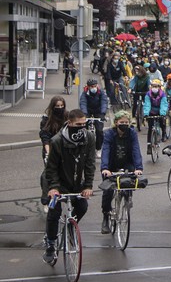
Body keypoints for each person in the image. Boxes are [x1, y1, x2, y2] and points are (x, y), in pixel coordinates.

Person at [42, 109, 95, 265]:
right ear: (70, 123)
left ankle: (70, 229)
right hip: (56, 183)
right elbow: (51, 168)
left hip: (76, 183)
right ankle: (51, 245)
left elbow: (90, 164)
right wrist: (54, 188)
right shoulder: (57, 141)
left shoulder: (89, 138)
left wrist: (88, 185)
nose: (82, 128)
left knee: (82, 206)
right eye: (78, 124)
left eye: (84, 124)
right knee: (54, 211)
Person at [99, 111, 143, 234]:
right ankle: (105, 217)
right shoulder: (109, 134)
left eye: (126, 122)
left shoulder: (132, 133)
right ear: (116, 122)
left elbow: (136, 149)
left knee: (130, 180)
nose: (124, 124)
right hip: (111, 165)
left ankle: (128, 197)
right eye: (121, 122)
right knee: (108, 191)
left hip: (126, 163)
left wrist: (138, 168)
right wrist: (105, 168)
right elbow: (106, 151)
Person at [79, 78, 109, 154]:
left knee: (99, 130)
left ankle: (98, 148)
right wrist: (84, 114)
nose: (93, 88)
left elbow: (104, 102)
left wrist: (102, 113)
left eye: (95, 86)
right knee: (83, 128)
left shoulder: (101, 92)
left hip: (98, 111)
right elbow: (83, 103)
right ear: (88, 87)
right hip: (88, 111)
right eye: (92, 86)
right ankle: (83, 146)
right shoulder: (84, 93)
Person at [143, 79, 169, 149]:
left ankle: (164, 134)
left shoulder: (162, 94)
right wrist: (146, 114)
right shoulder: (148, 94)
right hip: (151, 111)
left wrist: (162, 113)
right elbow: (147, 104)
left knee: (162, 123)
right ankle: (149, 144)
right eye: (153, 86)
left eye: (156, 86)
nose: (154, 88)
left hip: (160, 111)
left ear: (159, 87)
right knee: (150, 128)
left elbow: (164, 104)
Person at [39, 96, 67, 162]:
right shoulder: (46, 120)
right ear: (53, 106)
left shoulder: (67, 116)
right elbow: (45, 137)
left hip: (65, 149)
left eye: (62, 105)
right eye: (57, 106)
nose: (60, 108)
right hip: (51, 148)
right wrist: (48, 153)